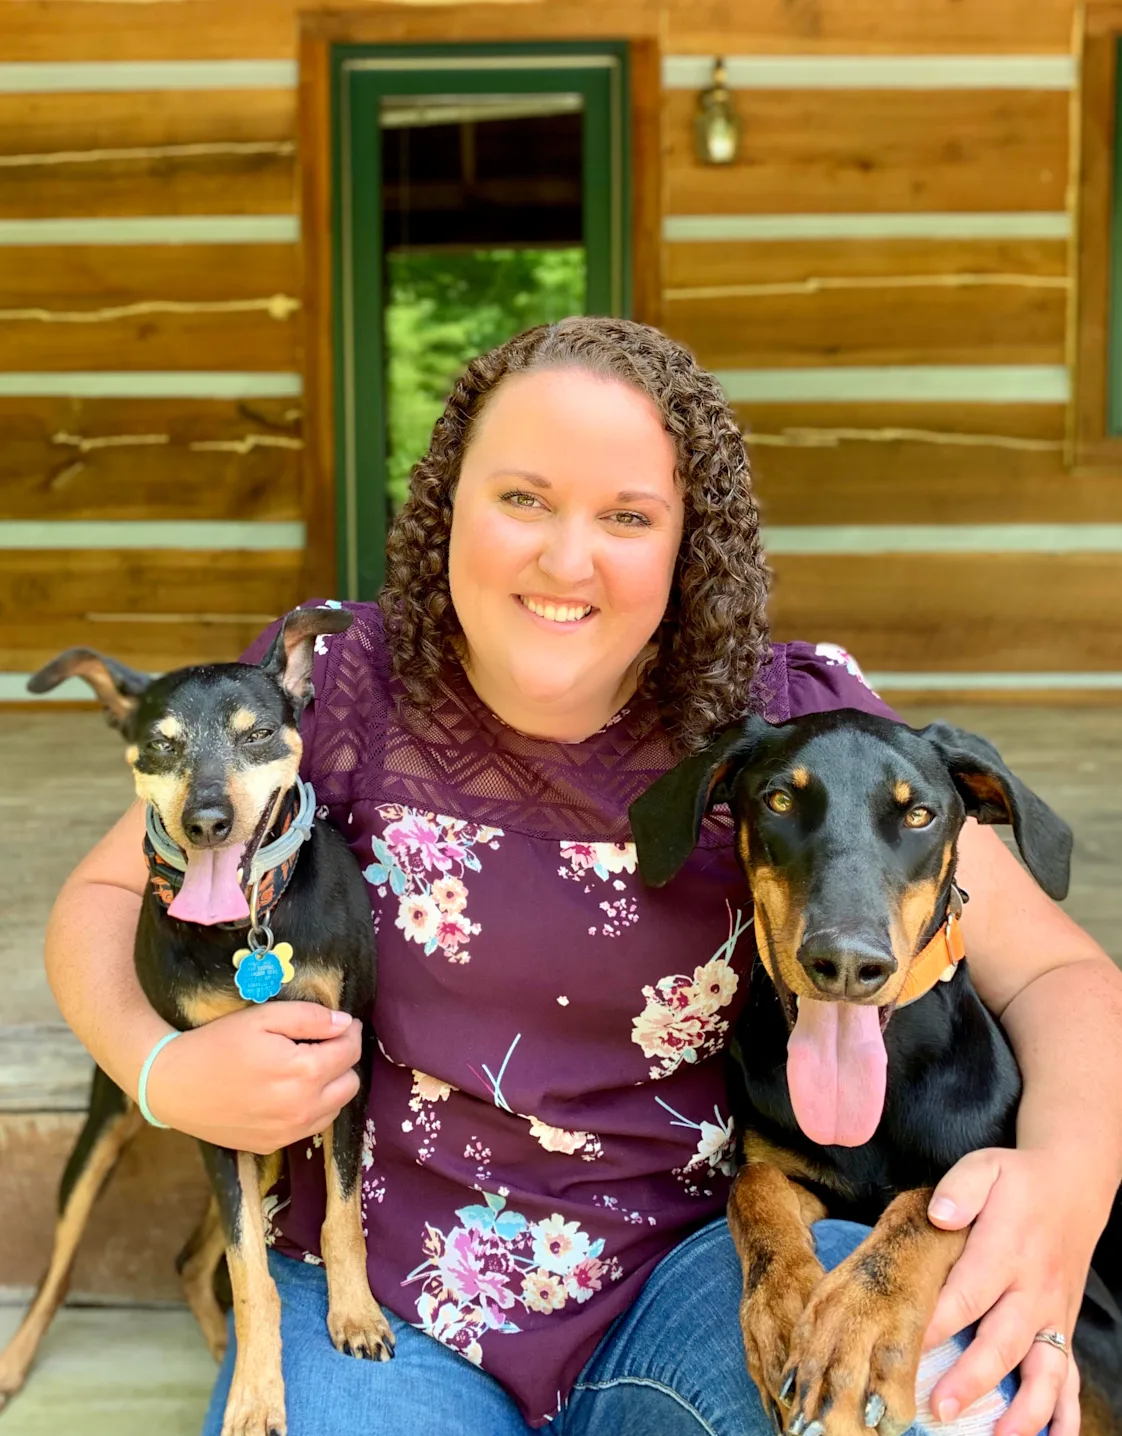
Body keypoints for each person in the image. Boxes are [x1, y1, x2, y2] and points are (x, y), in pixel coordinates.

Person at [44, 318, 1122, 1436]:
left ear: (686, 543)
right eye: (521, 498)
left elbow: (1058, 972)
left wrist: (1066, 1183)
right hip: (378, 1289)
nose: (568, 558)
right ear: (445, 506)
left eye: (626, 517)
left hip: (700, 1276)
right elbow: (103, 897)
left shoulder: (793, 732)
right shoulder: (333, 692)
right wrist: (158, 1067)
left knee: (930, 1409)